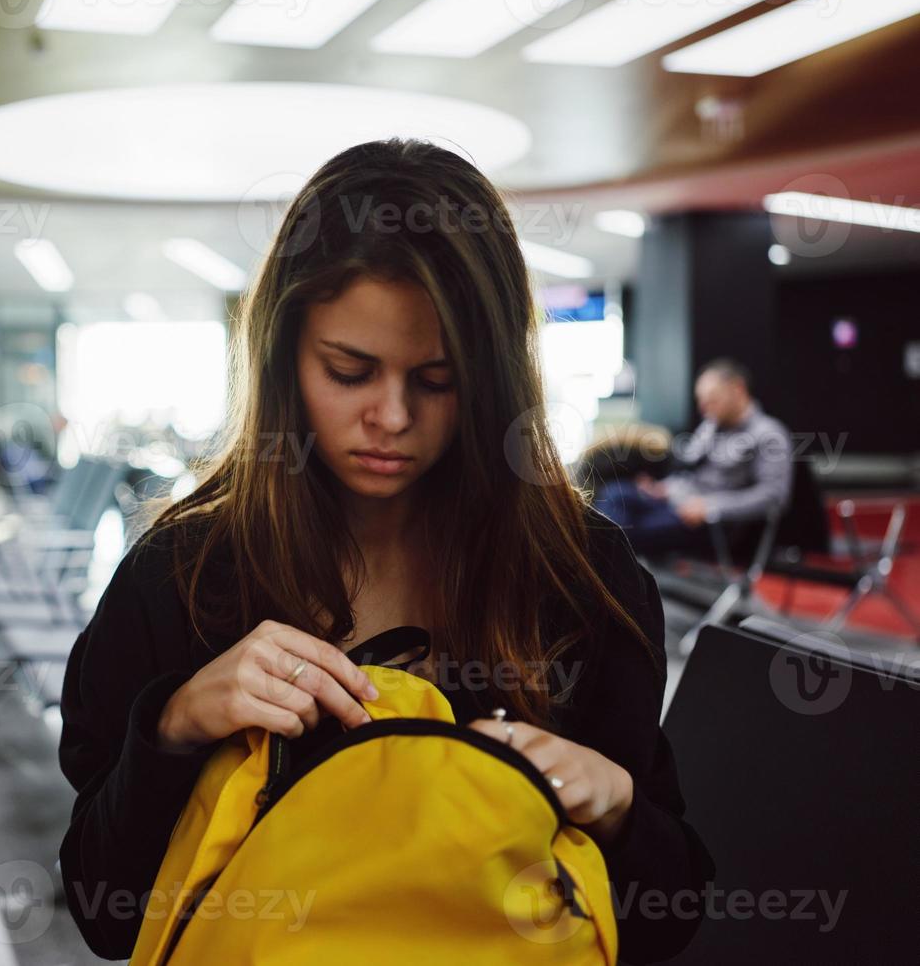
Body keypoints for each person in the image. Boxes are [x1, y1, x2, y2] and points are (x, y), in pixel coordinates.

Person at [57, 138, 714, 965]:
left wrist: (616, 804)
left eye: (436, 380)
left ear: (495, 377)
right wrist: (177, 723)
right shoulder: (184, 575)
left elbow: (664, 919)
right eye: (350, 371)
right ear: (282, 357)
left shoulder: (580, 579)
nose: (393, 417)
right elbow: (104, 913)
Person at [594, 359, 793, 556]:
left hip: (710, 524)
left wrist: (710, 506)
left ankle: (601, 568)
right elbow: (690, 470)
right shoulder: (710, 426)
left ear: (738, 389)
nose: (704, 408)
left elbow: (774, 498)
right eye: (702, 400)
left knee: (626, 531)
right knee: (615, 494)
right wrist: (664, 488)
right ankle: (604, 564)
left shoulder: (769, 434)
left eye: (712, 399)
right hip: (676, 503)